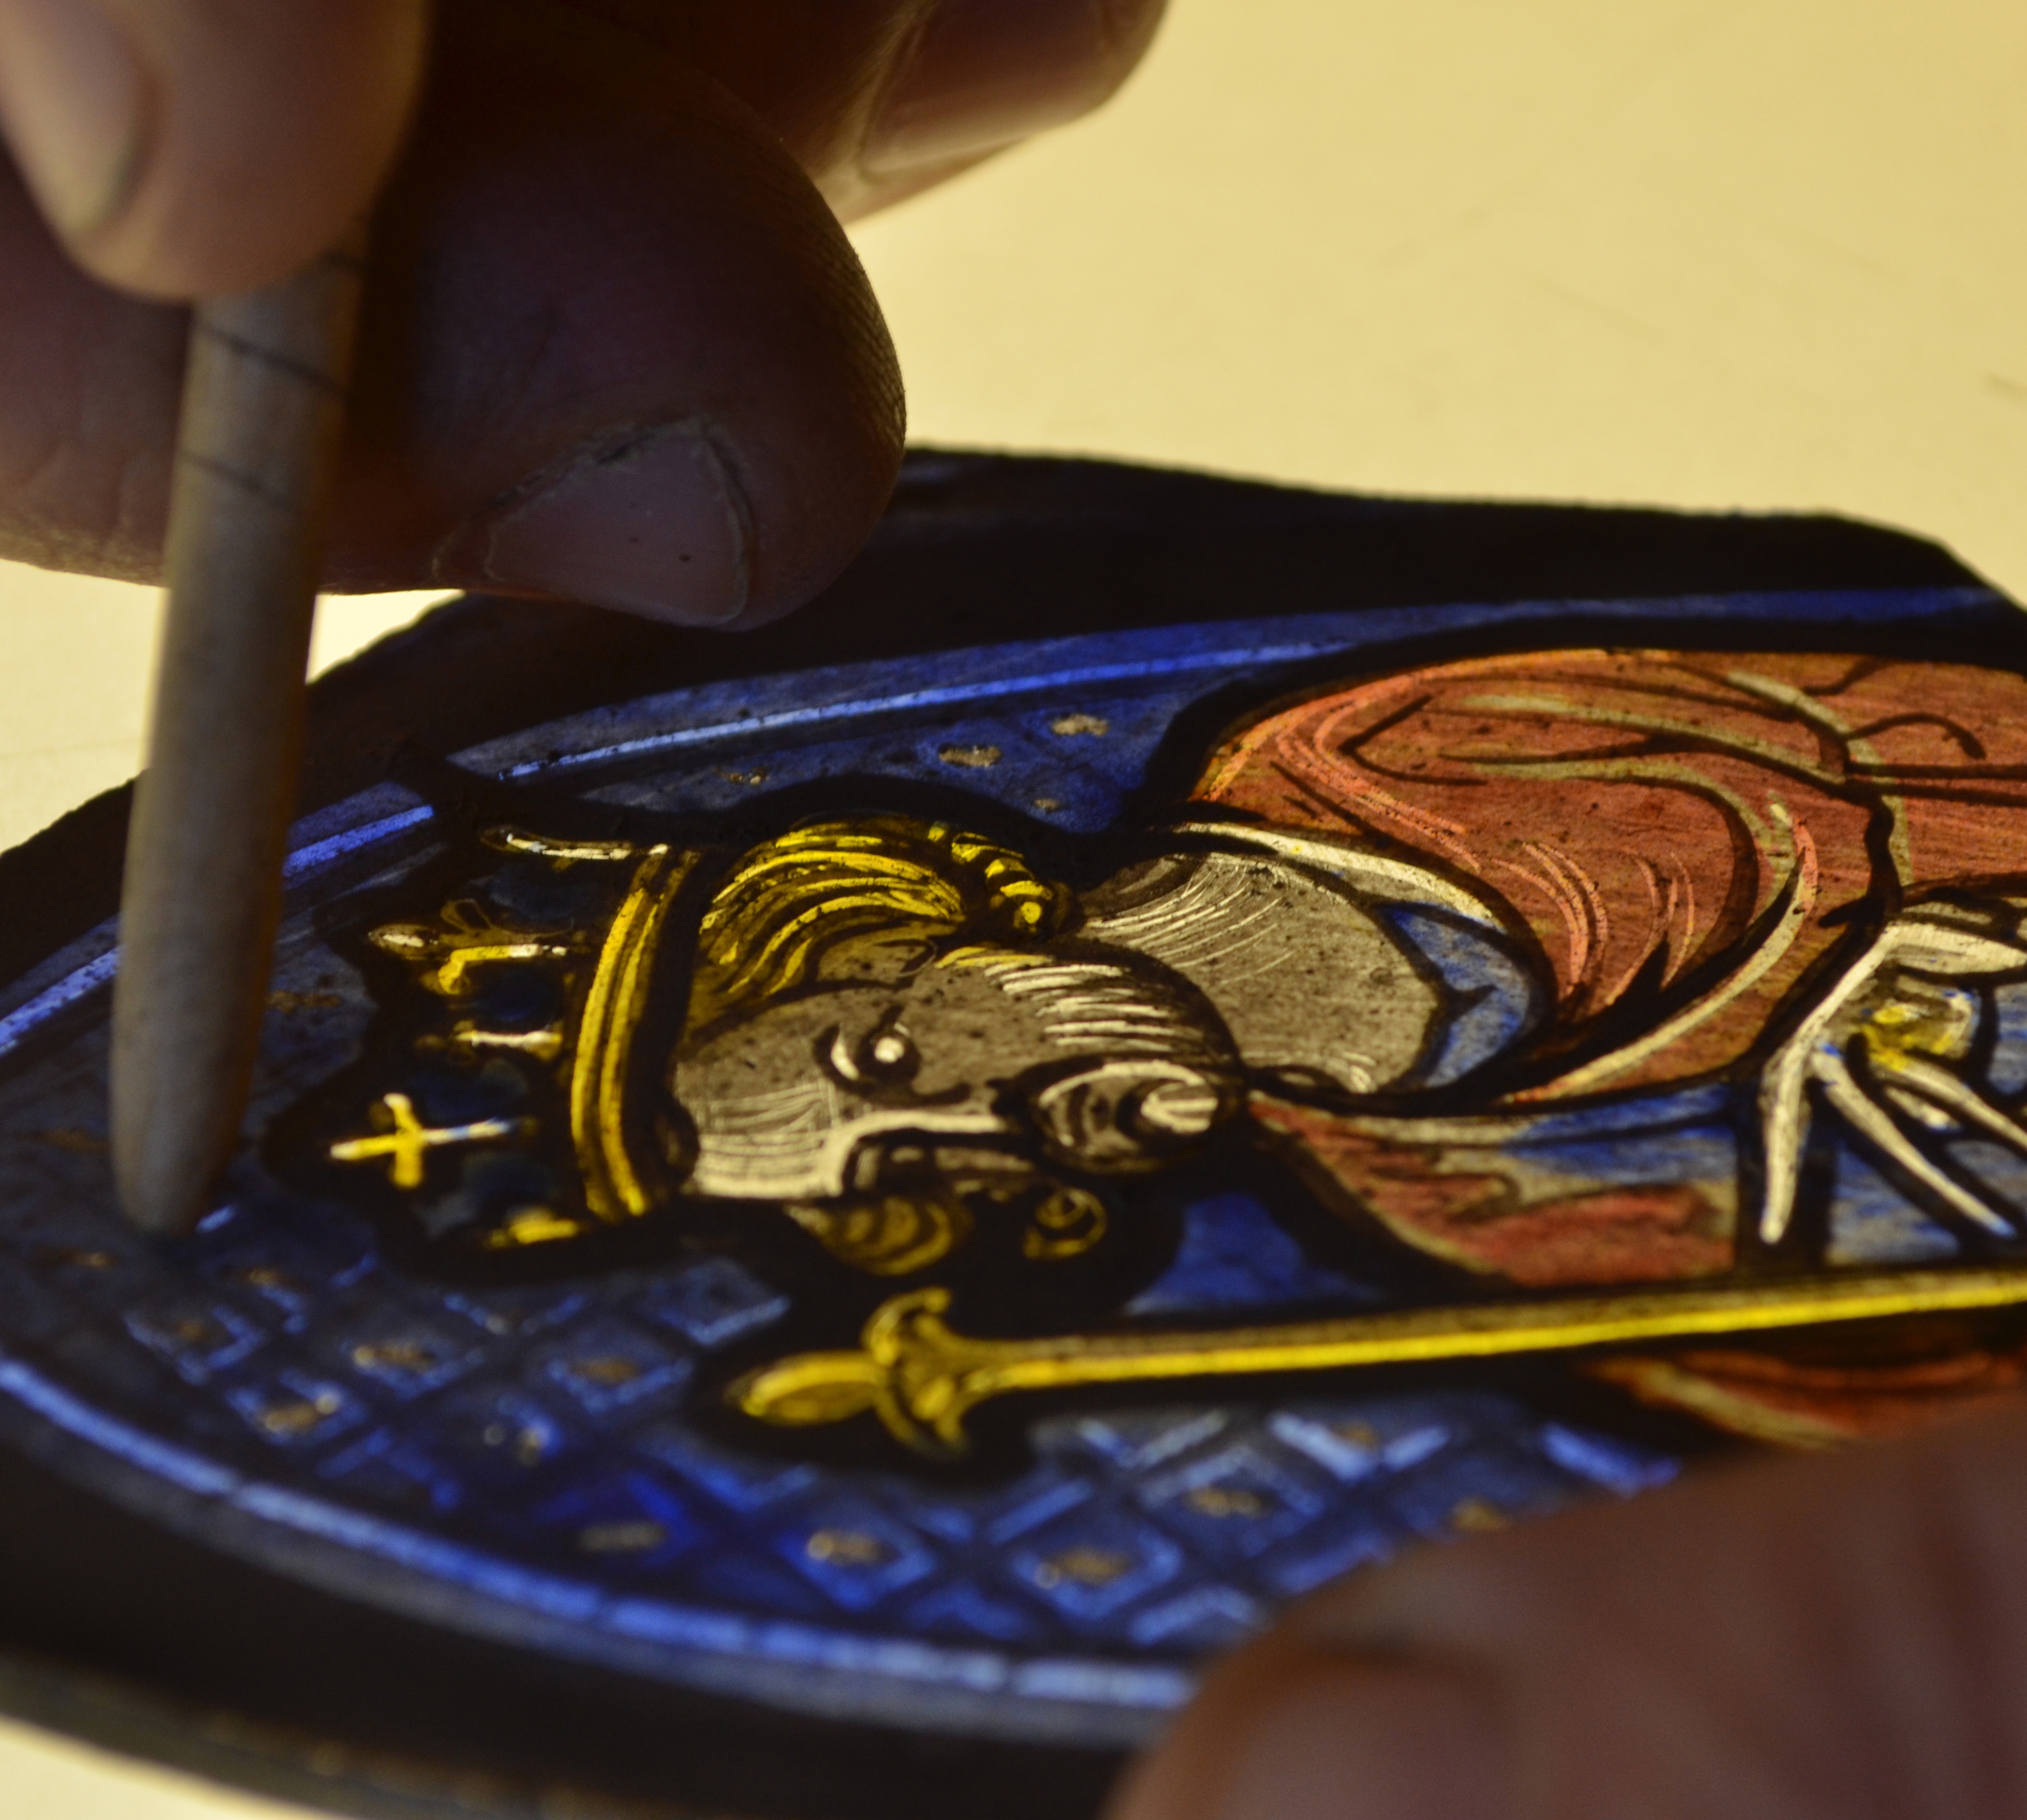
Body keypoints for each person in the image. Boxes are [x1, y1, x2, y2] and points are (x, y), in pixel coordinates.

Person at [1, 7, 2023, 1818]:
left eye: (886, 1060)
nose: (970, 1137)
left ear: (912, 932)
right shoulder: (1462, 1227)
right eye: (902, 1176)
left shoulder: (1439, 769)